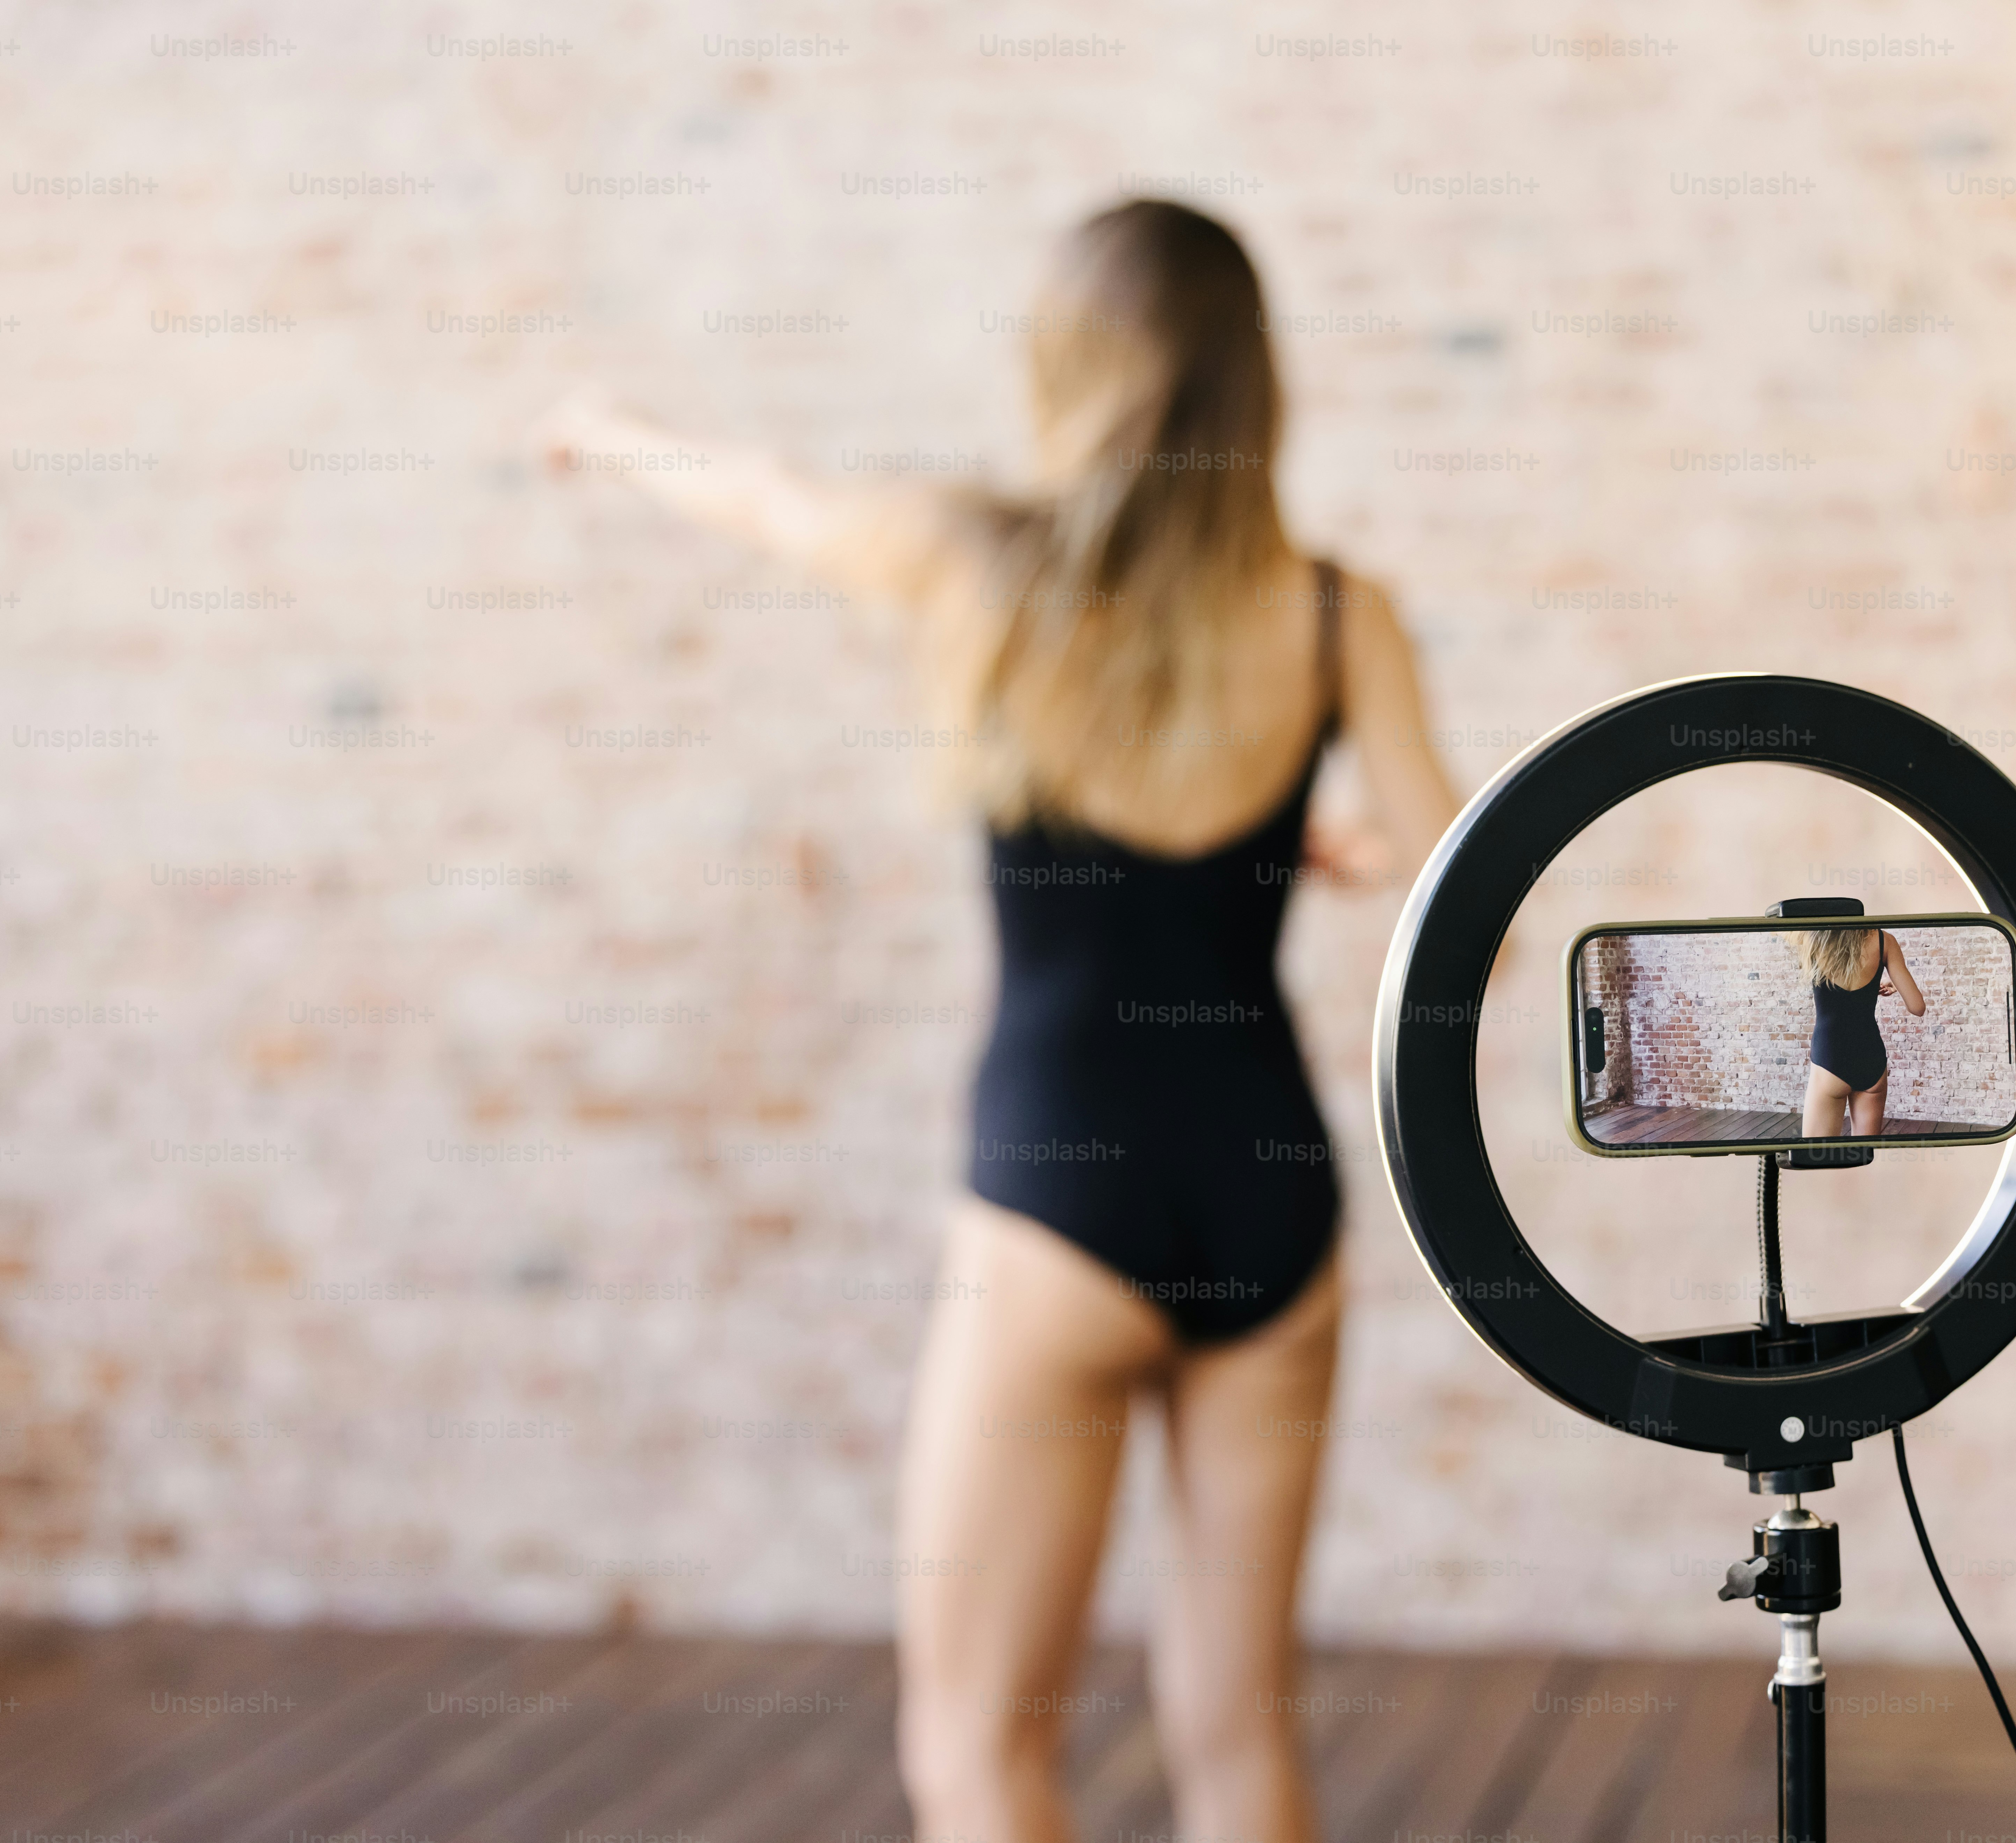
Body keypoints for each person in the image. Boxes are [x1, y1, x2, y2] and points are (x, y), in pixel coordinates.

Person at [538, 200, 1461, 1843]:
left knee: (976, 1750)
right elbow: (1474, 888)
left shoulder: (977, 565)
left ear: (1067, 366)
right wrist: (1328, 845)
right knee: (1239, 1733)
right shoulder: (1336, 614)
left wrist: (604, 435)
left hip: (1061, 1203)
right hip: (1271, 1189)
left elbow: (762, 495)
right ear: (1259, 382)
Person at [1790, 926, 1925, 1138]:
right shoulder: (1884, 940)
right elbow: (1918, 1007)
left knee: (1818, 1156)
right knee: (1862, 1155)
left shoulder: (1813, 936)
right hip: (1871, 1060)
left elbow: (1776, 927)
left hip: (1830, 1058)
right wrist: (1898, 984)